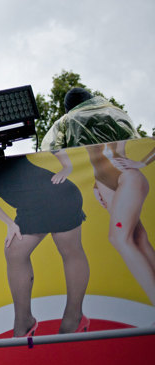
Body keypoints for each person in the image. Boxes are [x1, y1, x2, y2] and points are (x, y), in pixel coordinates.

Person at [42, 88, 155, 305]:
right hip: (113, 181)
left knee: (119, 238)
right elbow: (133, 142)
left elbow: (51, 149)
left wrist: (141, 163)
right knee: (139, 238)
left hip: (125, 179)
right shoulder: (112, 113)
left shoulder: (69, 121)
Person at [0, 153, 90, 336]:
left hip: (58, 196)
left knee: (70, 250)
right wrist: (9, 223)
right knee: (14, 253)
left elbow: (52, 143)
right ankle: (23, 321)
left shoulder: (5, 151)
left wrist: (67, 167)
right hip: (29, 209)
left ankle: (74, 317)